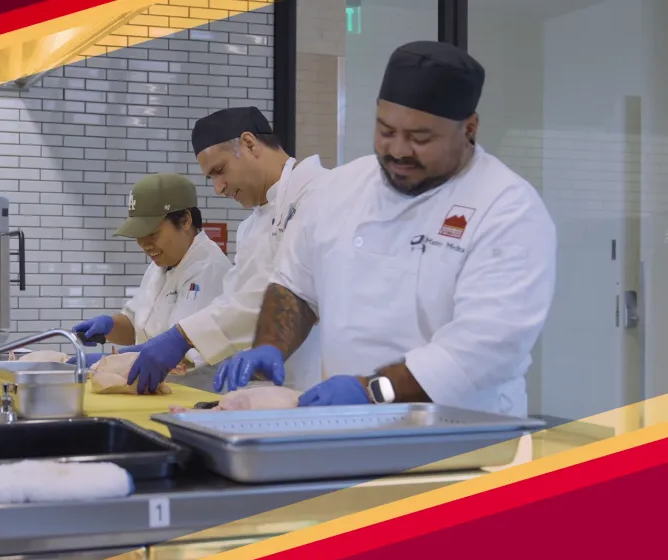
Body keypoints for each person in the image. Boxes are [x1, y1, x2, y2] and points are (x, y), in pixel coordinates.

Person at [214, 41, 557, 418]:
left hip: (462, 438)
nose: (398, 150)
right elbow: (295, 287)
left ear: (470, 128)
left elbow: (484, 347)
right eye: (386, 130)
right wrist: (271, 347)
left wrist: (373, 390)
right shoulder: (341, 188)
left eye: (420, 138)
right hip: (350, 427)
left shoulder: (507, 209)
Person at [97, 107, 330, 395]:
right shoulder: (250, 228)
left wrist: (182, 337)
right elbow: (233, 302)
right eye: (211, 178)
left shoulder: (319, 195)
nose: (219, 188)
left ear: (249, 143)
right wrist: (182, 349)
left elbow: (279, 292)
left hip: (311, 383)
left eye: (219, 171)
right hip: (259, 392)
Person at [71, 173, 232, 390]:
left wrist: (108, 362)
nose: (144, 245)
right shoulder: (161, 265)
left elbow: (178, 353)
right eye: (138, 235)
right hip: (158, 393)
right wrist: (108, 326)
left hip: (196, 397)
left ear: (185, 220)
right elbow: (134, 325)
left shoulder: (209, 268)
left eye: (152, 233)